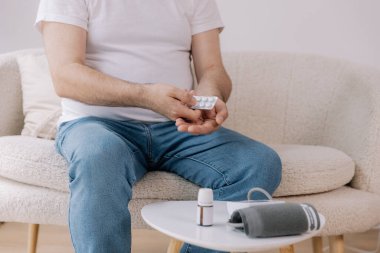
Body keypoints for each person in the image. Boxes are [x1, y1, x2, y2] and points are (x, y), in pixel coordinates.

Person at [35, 0, 282, 252]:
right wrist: (146, 96)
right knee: (99, 154)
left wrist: (208, 98)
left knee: (259, 163)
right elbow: (66, 76)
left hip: (178, 127)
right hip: (96, 124)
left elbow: (212, 69)